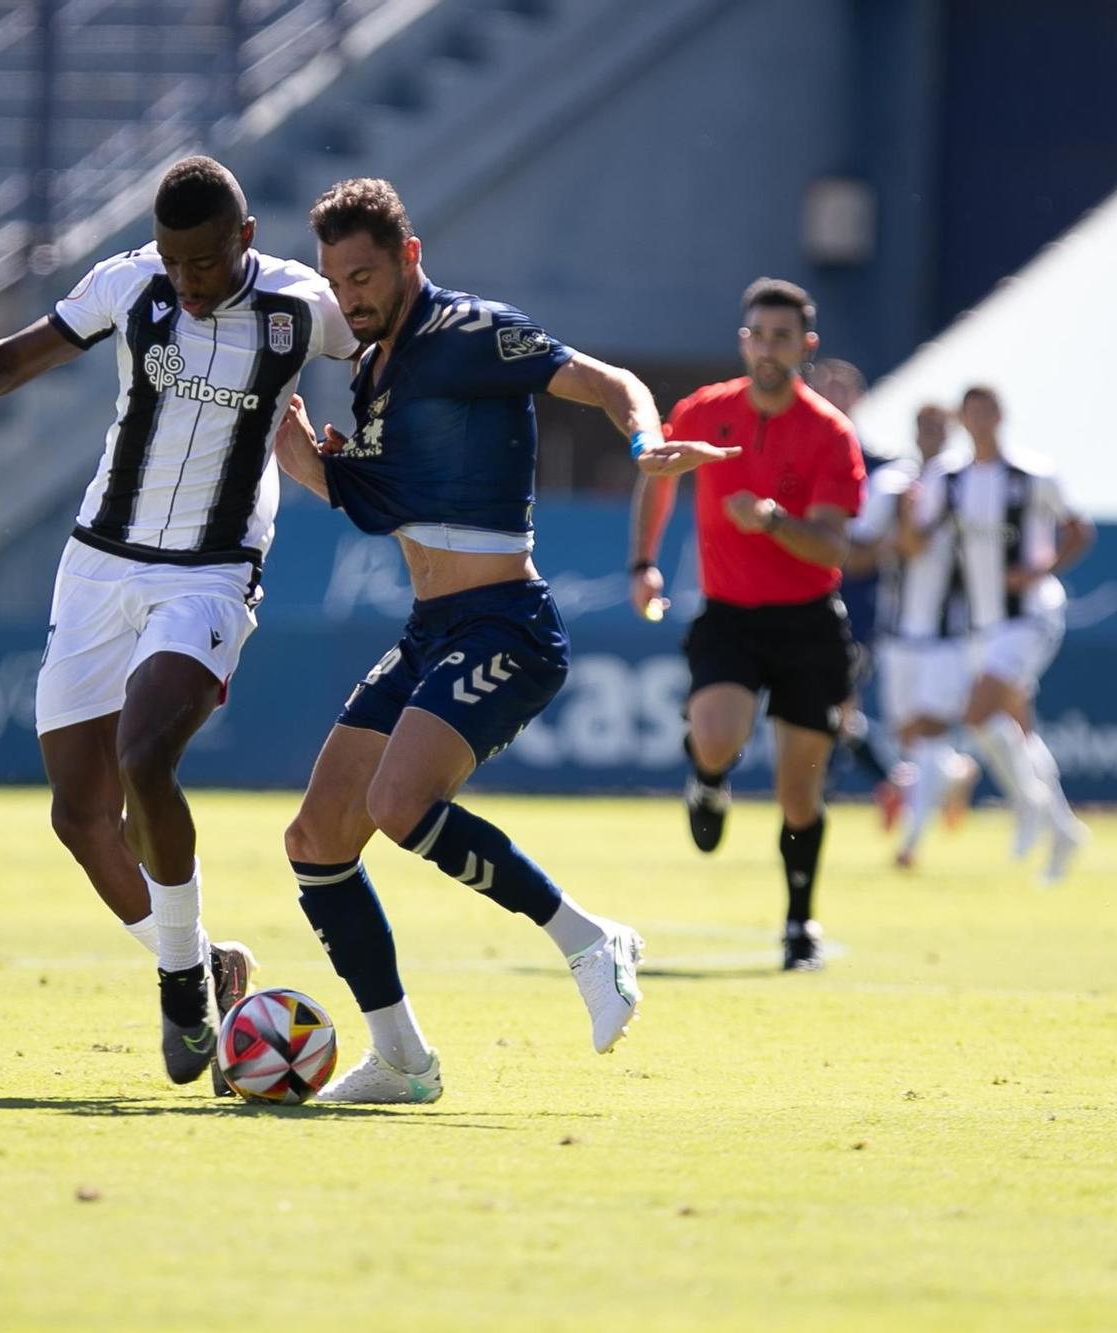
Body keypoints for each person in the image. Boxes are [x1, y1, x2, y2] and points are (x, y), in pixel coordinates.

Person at [0, 156, 358, 1087]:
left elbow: (392, 342)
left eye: (205, 264)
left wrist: (371, 441)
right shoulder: (128, 285)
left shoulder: (303, 309)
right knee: (79, 811)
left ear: (245, 240)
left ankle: (181, 992)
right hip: (98, 564)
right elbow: (7, 365)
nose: (188, 281)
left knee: (144, 759)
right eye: (175, 263)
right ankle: (203, 964)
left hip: (210, 574)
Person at [271, 178, 738, 1103]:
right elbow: (371, 502)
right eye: (338, 281)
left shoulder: (472, 332)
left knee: (401, 803)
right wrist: (299, 452)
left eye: (365, 274)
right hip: (430, 629)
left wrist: (645, 442)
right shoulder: (369, 376)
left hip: (508, 626)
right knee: (317, 837)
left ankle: (590, 940)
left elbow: (609, 383)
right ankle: (401, 1058)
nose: (351, 296)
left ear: (409, 258)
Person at [629, 278, 867, 971]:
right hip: (729, 613)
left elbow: (831, 546)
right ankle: (708, 778)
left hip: (808, 622)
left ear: (806, 346)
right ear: (744, 340)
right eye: (758, 335)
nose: (768, 348)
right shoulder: (705, 411)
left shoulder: (828, 433)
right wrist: (644, 562)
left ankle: (799, 922)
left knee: (799, 791)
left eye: (783, 337)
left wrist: (771, 520)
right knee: (715, 736)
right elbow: (658, 474)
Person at [916, 386, 1094, 884]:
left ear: (999, 415)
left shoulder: (1034, 474)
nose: (977, 421)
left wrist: (1041, 570)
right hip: (981, 622)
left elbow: (1079, 530)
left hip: (1030, 615)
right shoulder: (947, 478)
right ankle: (1063, 830)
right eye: (968, 413)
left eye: (985, 411)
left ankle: (1030, 805)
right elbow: (918, 537)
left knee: (978, 713)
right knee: (1019, 729)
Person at [863, 403, 981, 868]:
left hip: (950, 634)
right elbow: (861, 541)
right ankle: (956, 774)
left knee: (928, 734)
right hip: (898, 632)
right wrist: (891, 539)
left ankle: (910, 843)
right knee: (908, 737)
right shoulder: (892, 482)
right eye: (923, 426)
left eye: (938, 427)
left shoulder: (968, 484)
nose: (930, 434)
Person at [809, 358, 911, 828]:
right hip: (802, 601)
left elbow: (893, 544)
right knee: (830, 708)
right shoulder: (801, 459)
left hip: (860, 608)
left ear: (860, 398)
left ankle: (816, 803)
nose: (833, 396)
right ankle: (894, 779)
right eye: (824, 387)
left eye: (843, 389)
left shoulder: (886, 470)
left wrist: (866, 553)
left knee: (830, 704)